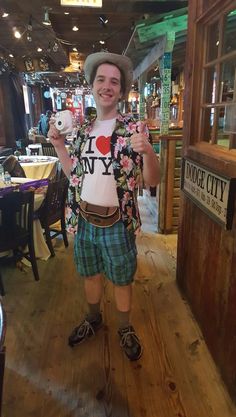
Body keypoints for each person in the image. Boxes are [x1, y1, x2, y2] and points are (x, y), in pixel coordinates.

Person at [48, 52, 160, 361]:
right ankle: (94, 319)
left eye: (114, 82)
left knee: (122, 279)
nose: (107, 86)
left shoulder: (134, 129)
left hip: (117, 222)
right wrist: (59, 146)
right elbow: (74, 175)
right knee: (90, 275)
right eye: (101, 80)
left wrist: (148, 152)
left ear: (122, 91)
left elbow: (153, 180)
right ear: (93, 86)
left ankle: (124, 327)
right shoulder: (82, 130)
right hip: (84, 221)